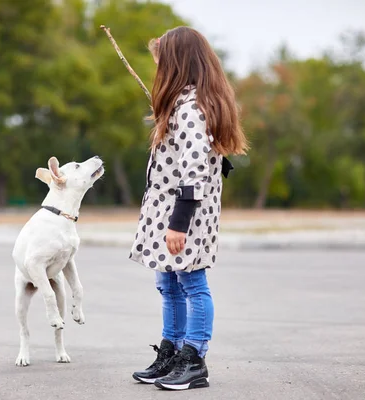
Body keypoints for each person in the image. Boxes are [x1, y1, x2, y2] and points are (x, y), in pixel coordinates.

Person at [129, 26, 249, 391]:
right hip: (167, 208)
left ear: (178, 63)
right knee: (168, 281)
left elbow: (194, 166)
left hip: (184, 212)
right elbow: (200, 155)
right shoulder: (183, 103)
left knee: (191, 281)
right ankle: (173, 349)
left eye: (162, 62)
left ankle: (194, 358)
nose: (158, 70)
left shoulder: (191, 109)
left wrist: (179, 223)